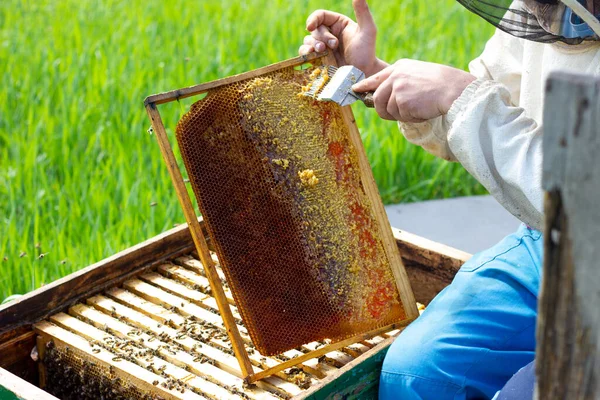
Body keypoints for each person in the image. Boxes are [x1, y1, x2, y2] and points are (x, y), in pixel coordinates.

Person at [299, 0, 600, 398]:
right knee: (419, 376)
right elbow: (479, 120)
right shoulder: (545, 11)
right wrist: (372, 77)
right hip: (548, 244)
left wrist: (460, 96)